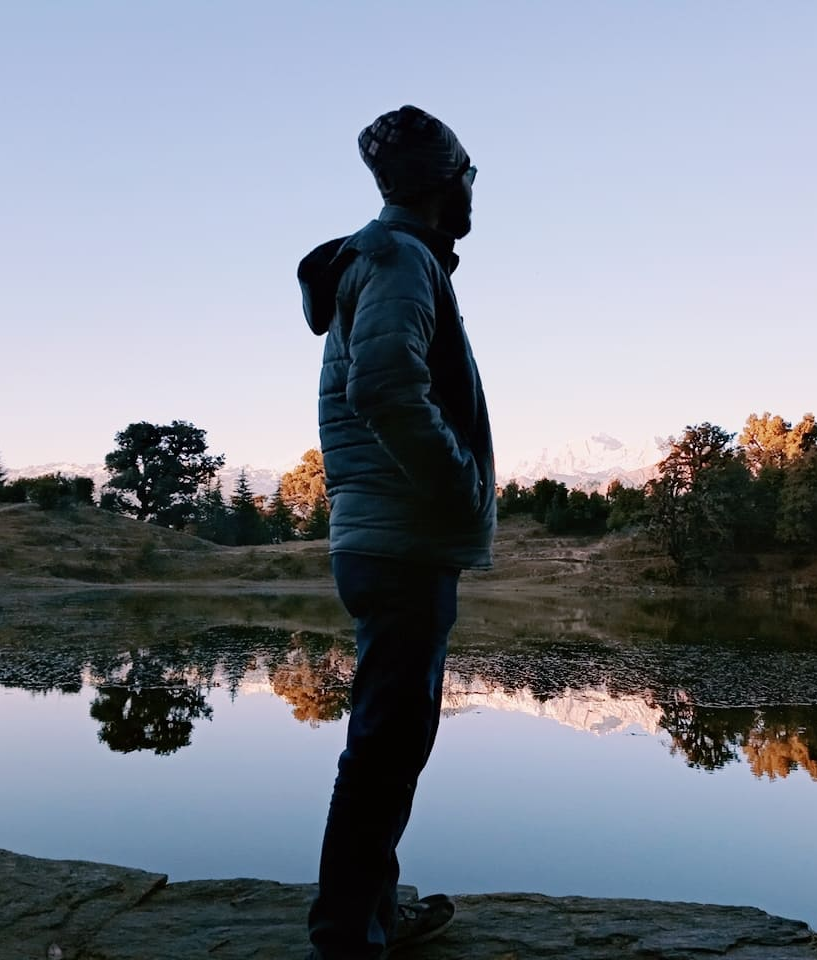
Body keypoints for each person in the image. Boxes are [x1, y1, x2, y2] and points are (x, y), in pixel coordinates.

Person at [297, 105, 497, 959]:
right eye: (469, 175)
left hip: (385, 537)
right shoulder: (400, 258)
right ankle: (347, 936)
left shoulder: (390, 258)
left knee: (390, 738)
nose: (475, 190)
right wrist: (457, 486)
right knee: (386, 745)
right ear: (445, 183)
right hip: (401, 538)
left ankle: (372, 913)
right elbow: (384, 386)